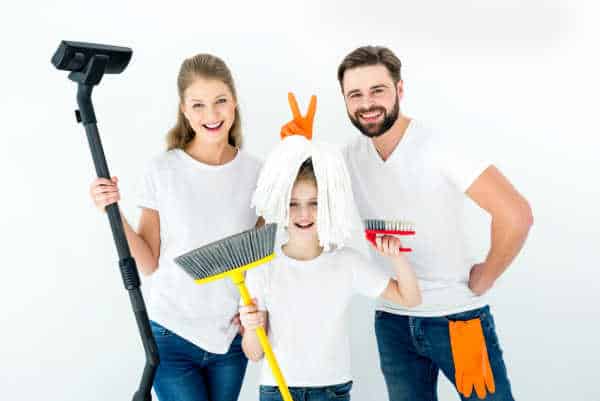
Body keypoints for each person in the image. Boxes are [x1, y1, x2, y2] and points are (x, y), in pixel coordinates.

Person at [337, 46, 533, 400]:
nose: (367, 103)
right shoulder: (347, 157)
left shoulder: (438, 146)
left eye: (377, 90)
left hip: (457, 320)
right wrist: (297, 145)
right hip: (392, 322)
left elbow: (515, 213)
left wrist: (486, 274)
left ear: (399, 90)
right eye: (355, 94)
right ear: (345, 101)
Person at [89, 54, 262, 401]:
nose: (211, 115)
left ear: (234, 102)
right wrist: (113, 211)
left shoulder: (257, 172)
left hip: (229, 339)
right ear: (184, 109)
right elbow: (149, 262)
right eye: (198, 105)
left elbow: (260, 260)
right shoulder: (163, 170)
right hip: (173, 336)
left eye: (220, 102)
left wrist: (257, 311)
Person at [239, 132, 422, 401]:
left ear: (328, 206)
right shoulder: (262, 268)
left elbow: (411, 298)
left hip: (332, 390)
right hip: (277, 390)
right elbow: (254, 354)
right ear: (281, 206)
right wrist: (250, 325)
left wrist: (396, 257)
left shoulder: (347, 262)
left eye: (314, 203)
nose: (304, 214)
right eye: (293, 204)